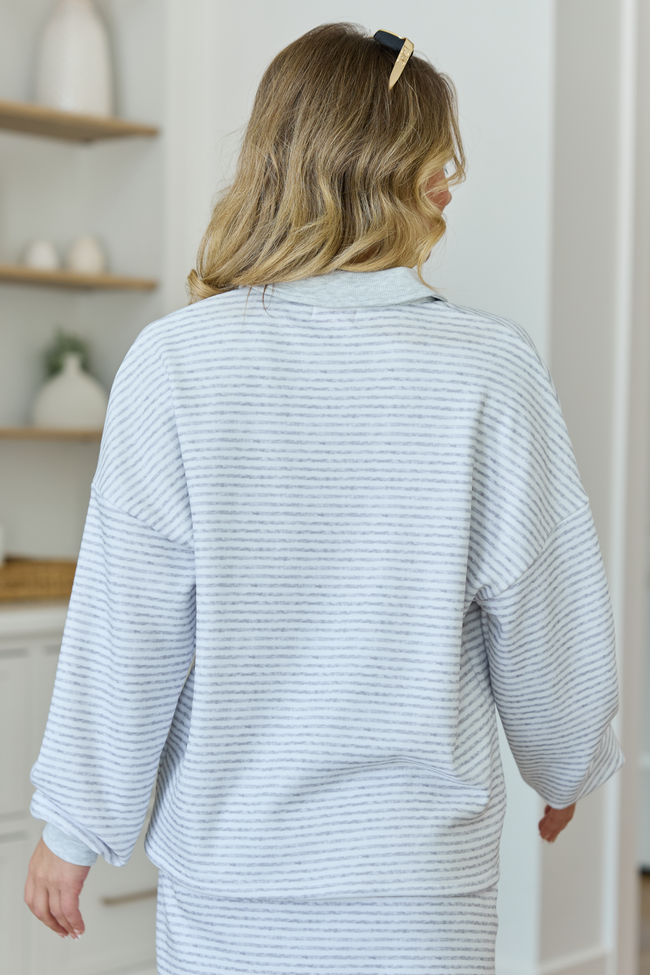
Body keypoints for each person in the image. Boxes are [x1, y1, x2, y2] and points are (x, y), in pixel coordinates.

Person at [24, 22, 623, 975]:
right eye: (436, 155)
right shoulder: (489, 368)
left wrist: (73, 822)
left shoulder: (176, 363)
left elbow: (128, 622)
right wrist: (565, 759)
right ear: (380, 167)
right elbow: (543, 603)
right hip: (417, 888)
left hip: (231, 884)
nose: (451, 180)